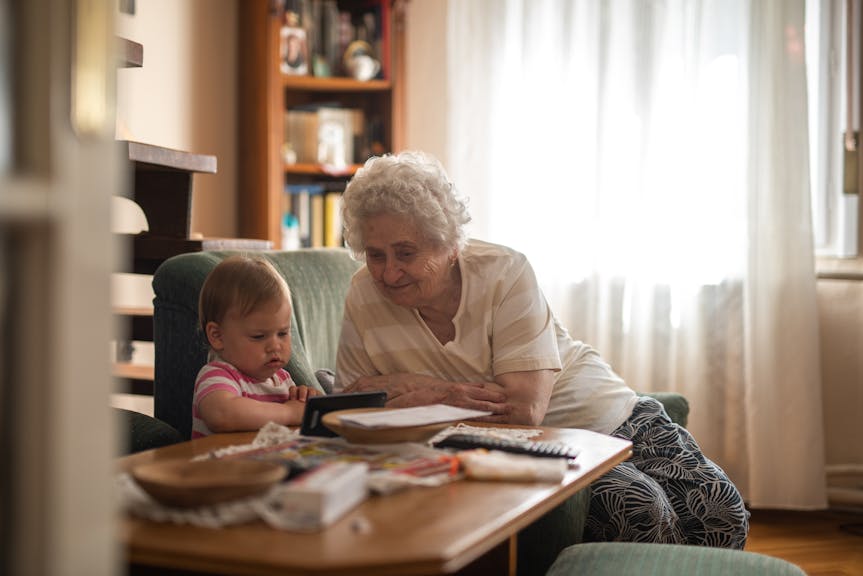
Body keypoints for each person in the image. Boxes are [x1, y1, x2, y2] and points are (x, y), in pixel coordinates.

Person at [333, 150, 750, 549]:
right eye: (375, 255)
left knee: (723, 514)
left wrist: (420, 391)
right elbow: (352, 408)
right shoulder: (362, 295)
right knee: (640, 508)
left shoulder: (504, 273)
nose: (388, 272)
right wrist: (440, 395)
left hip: (613, 417)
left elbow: (522, 409)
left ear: (450, 244)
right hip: (536, 450)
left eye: (406, 253)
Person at [192, 254, 319, 437]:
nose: (275, 346)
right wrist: (289, 412)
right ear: (217, 336)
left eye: (283, 333)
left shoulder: (283, 380)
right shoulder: (217, 375)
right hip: (223, 464)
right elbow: (222, 415)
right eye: (259, 336)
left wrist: (305, 400)